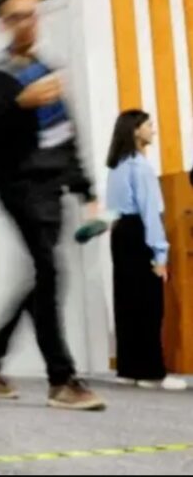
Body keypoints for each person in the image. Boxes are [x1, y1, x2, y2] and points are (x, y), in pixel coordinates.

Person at [0, 0, 106, 411]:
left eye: (33, 14)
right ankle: (61, 379)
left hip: (53, 187)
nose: (28, 22)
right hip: (18, 186)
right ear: (4, 24)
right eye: (17, 16)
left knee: (45, 278)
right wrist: (20, 104)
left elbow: (67, 135)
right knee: (49, 269)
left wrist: (87, 191)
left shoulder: (49, 72)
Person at [105, 111, 186, 391]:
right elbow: (151, 214)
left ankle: (129, 368)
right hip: (140, 233)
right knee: (150, 305)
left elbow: (111, 210)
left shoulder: (116, 166)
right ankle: (151, 372)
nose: (153, 129)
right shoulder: (141, 167)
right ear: (135, 131)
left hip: (120, 234)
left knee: (127, 303)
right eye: (149, 125)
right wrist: (160, 256)